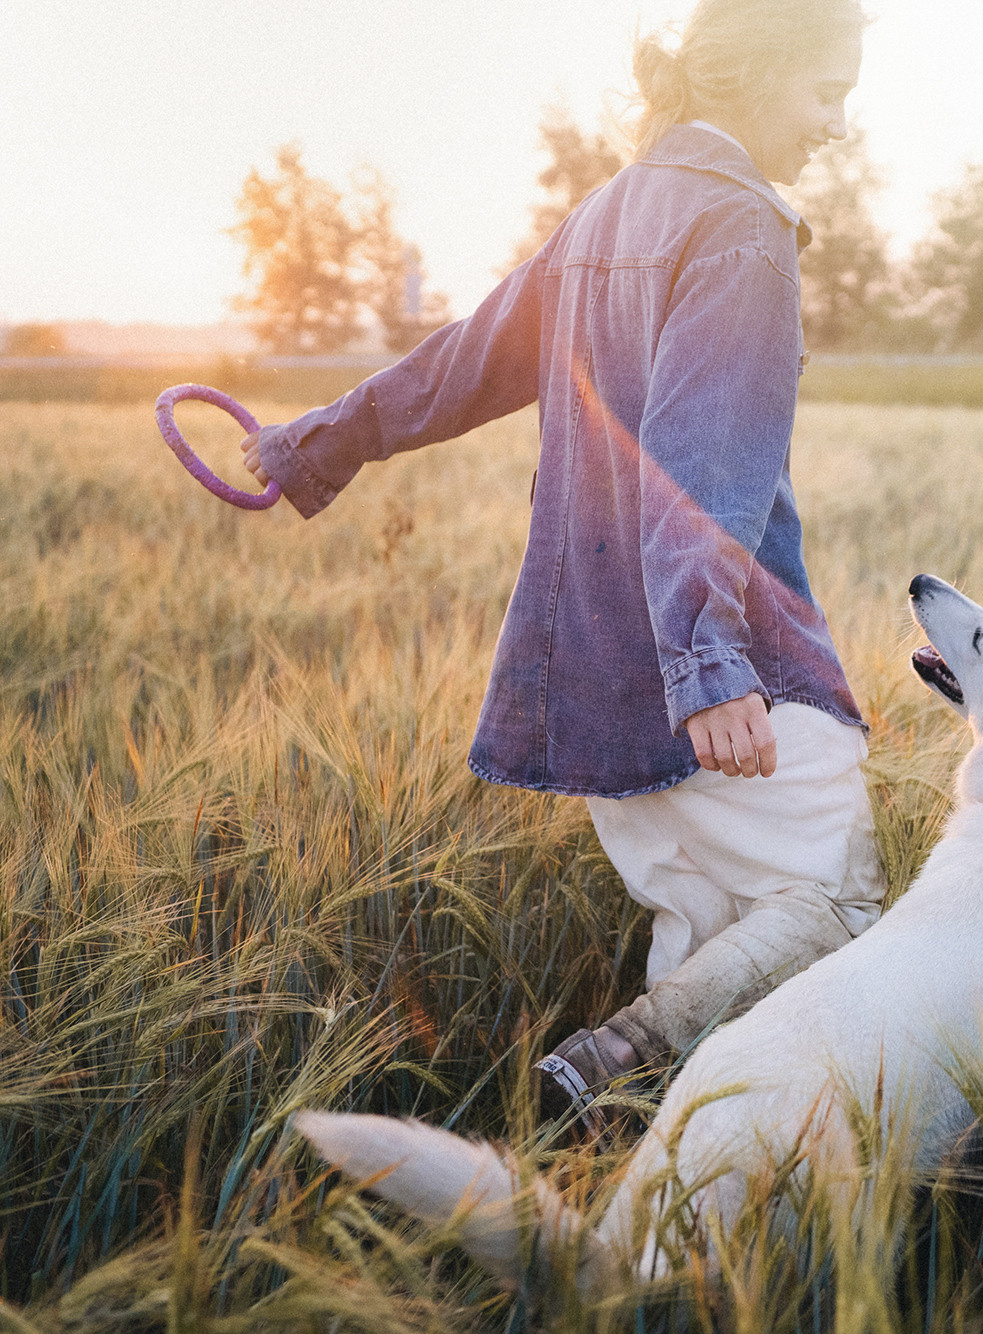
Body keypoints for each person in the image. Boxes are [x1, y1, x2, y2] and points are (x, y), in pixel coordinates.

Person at [238, 0, 881, 1124]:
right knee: (845, 910)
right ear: (757, 74)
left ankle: (646, 1196)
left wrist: (314, 441)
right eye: (828, 92)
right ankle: (620, 1059)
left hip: (593, 692)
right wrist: (708, 664)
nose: (838, 125)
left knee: (710, 948)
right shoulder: (741, 227)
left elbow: (460, 363)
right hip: (727, 698)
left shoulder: (603, 214)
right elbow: (700, 461)